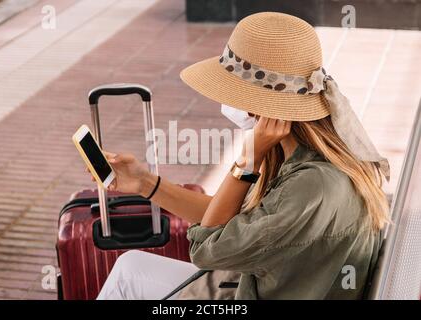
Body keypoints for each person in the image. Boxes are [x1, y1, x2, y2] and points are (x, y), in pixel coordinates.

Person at [96, 12, 390, 300]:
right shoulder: (309, 158)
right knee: (129, 268)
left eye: (233, 91)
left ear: (260, 107)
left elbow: (207, 248)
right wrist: (144, 183)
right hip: (243, 284)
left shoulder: (312, 185)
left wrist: (248, 159)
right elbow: (232, 221)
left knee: (127, 278)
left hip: (241, 289)